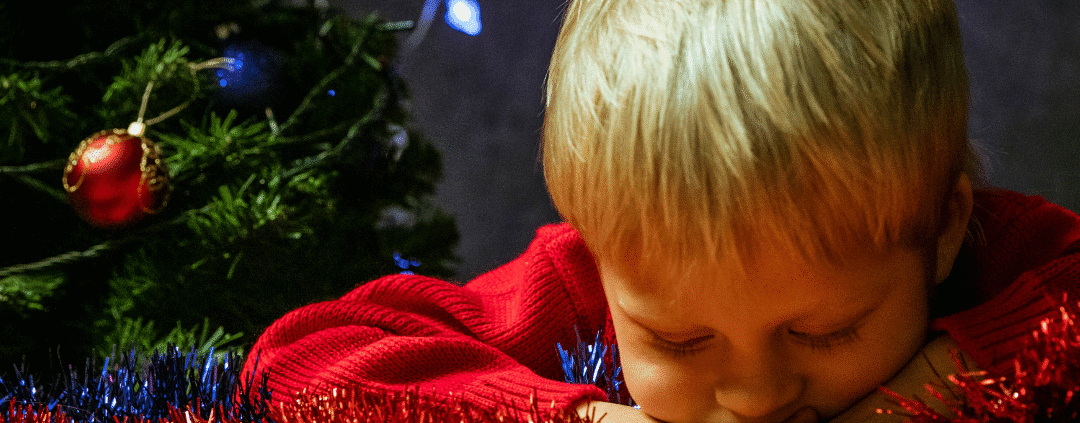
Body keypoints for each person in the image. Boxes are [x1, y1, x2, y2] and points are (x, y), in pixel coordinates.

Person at [241, 0, 1080, 421]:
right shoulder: (580, 278)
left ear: (939, 228)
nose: (755, 396)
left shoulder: (999, 252)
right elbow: (292, 365)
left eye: (824, 331)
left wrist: (935, 387)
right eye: (677, 340)